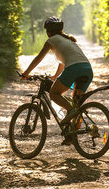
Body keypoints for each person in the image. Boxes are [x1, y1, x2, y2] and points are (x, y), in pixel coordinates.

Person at [21, 16, 93, 145]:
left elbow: (39, 58)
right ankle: (72, 136)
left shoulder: (52, 40)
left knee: (54, 94)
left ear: (48, 32)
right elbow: (63, 62)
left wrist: (26, 73)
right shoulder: (68, 40)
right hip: (87, 69)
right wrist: (55, 76)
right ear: (61, 30)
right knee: (76, 105)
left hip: (74, 68)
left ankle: (71, 112)